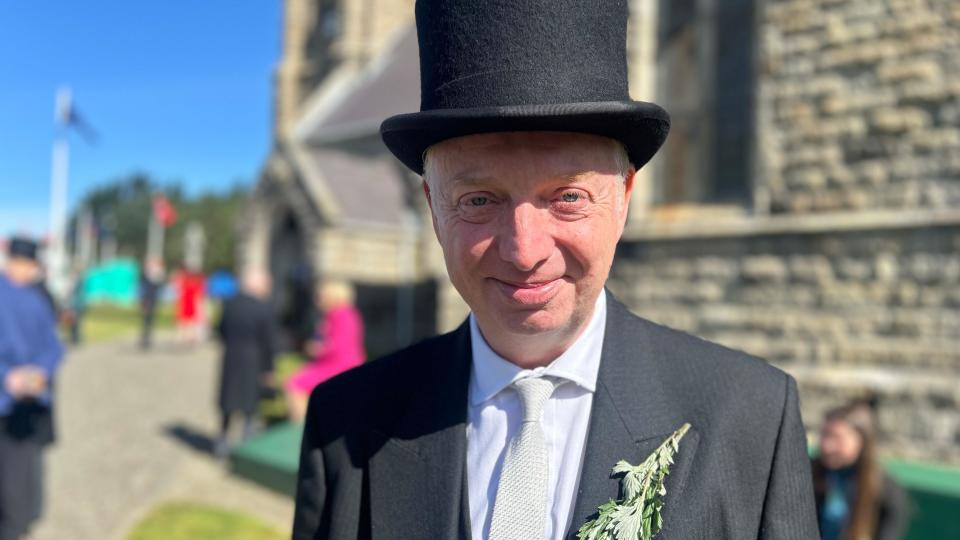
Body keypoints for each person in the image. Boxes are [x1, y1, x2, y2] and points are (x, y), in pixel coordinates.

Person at [292, 1, 819, 538]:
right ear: (433, 206)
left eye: (567, 197)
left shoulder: (751, 419)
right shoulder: (344, 426)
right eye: (478, 200)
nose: (524, 251)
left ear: (624, 198)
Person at [0, 236, 65, 540]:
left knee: (19, 480)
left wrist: (38, 372)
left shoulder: (35, 299)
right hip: (15, 402)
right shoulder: (36, 297)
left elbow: (53, 348)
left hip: (22, 405)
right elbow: (55, 349)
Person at [812, 401, 910, 540]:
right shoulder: (808, 475)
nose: (827, 446)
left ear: (861, 441)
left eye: (837, 438)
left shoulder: (886, 492)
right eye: (824, 435)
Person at [214, 270, 277, 458]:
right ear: (257, 285)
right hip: (254, 359)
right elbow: (268, 342)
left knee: (228, 401)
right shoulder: (264, 308)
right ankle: (246, 445)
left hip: (231, 357)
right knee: (250, 403)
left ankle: (222, 441)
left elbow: (220, 329)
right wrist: (268, 369)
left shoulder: (228, 304)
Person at [285, 280, 365, 423]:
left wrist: (317, 349)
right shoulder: (333, 315)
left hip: (340, 366)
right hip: (330, 363)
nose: (317, 300)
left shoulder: (344, 315)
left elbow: (339, 345)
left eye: (320, 296)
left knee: (295, 385)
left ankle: (300, 428)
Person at [139, 256, 165, 350]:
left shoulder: (157, 276)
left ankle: (147, 338)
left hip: (153, 299)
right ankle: (144, 338)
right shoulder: (145, 275)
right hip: (146, 299)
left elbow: (159, 286)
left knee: (150, 320)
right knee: (145, 319)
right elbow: (142, 287)